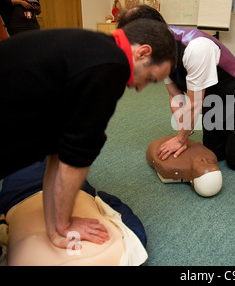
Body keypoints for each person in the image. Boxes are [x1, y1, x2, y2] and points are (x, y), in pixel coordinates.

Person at [0, 18, 176, 250]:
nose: (141, 87)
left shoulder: (93, 47)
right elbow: (77, 157)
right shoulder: (111, 66)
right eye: (150, 78)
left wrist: (56, 227)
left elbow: (59, 150)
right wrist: (66, 226)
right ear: (143, 53)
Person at [117, 5, 235, 171]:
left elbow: (193, 104)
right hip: (211, 101)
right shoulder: (160, 53)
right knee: (214, 154)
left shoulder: (196, 48)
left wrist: (180, 139)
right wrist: (183, 129)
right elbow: (175, 94)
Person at [0, 159, 147, 266]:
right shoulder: (125, 256)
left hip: (20, 195)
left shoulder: (125, 255)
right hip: (60, 189)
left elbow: (122, 214)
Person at [146, 136, 222, 197]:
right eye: (210, 164)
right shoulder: (212, 156)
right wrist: (181, 138)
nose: (205, 160)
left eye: (203, 165)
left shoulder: (171, 166)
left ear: (192, 181)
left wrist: (180, 139)